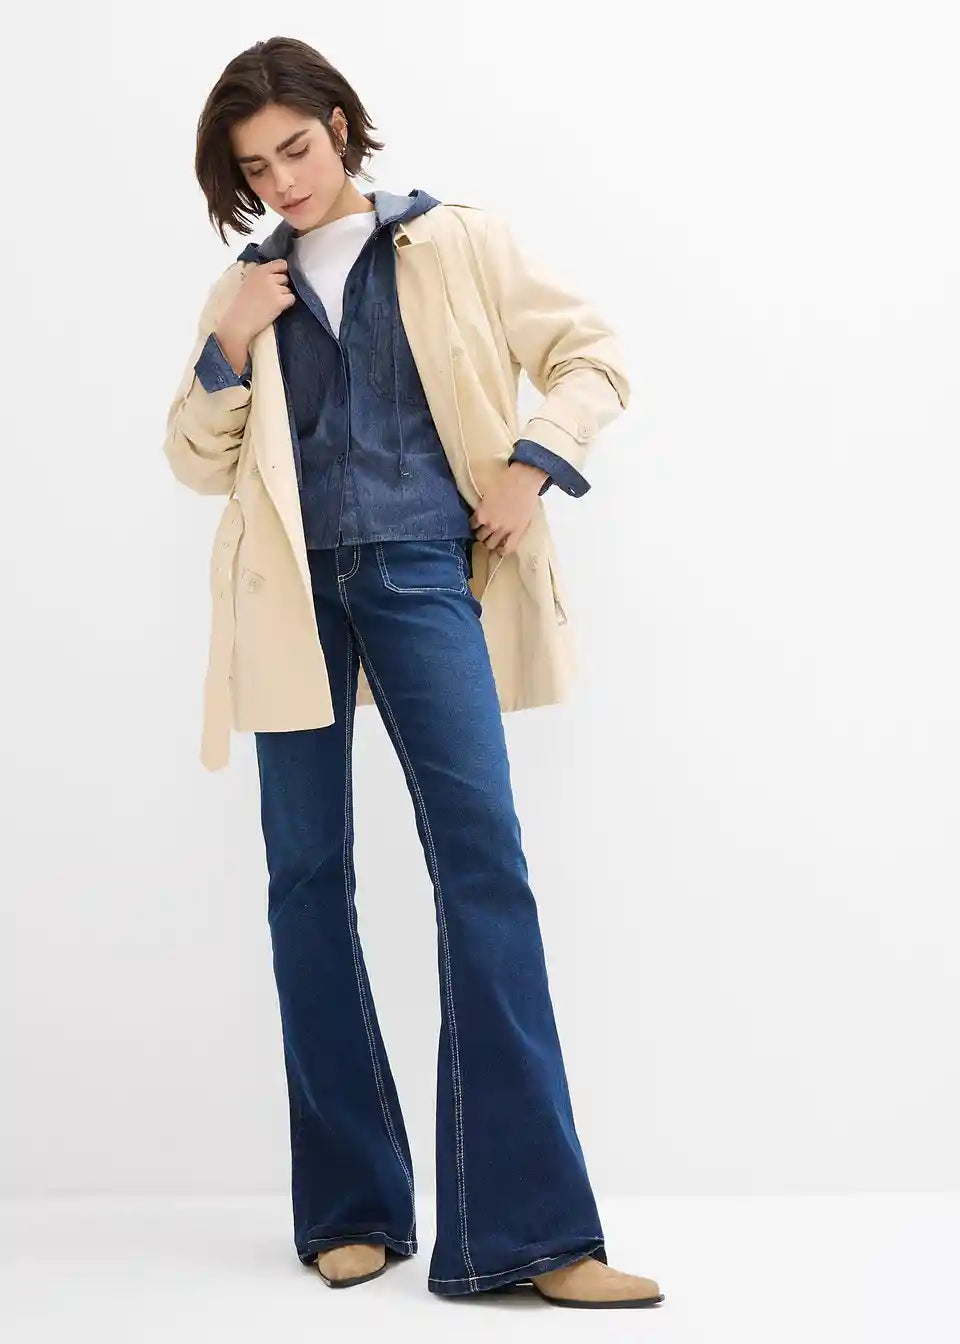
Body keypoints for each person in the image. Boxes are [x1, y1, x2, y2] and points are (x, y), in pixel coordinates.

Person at [164, 35, 664, 1310]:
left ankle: (534, 1234)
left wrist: (533, 464)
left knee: (483, 866)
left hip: (424, 572)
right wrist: (228, 343)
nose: (282, 180)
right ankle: (350, 1206)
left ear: (341, 126)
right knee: (306, 880)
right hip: (289, 596)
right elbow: (194, 455)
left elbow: (593, 355)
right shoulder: (248, 284)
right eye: (255, 168)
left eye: (296, 149)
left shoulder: (456, 242)